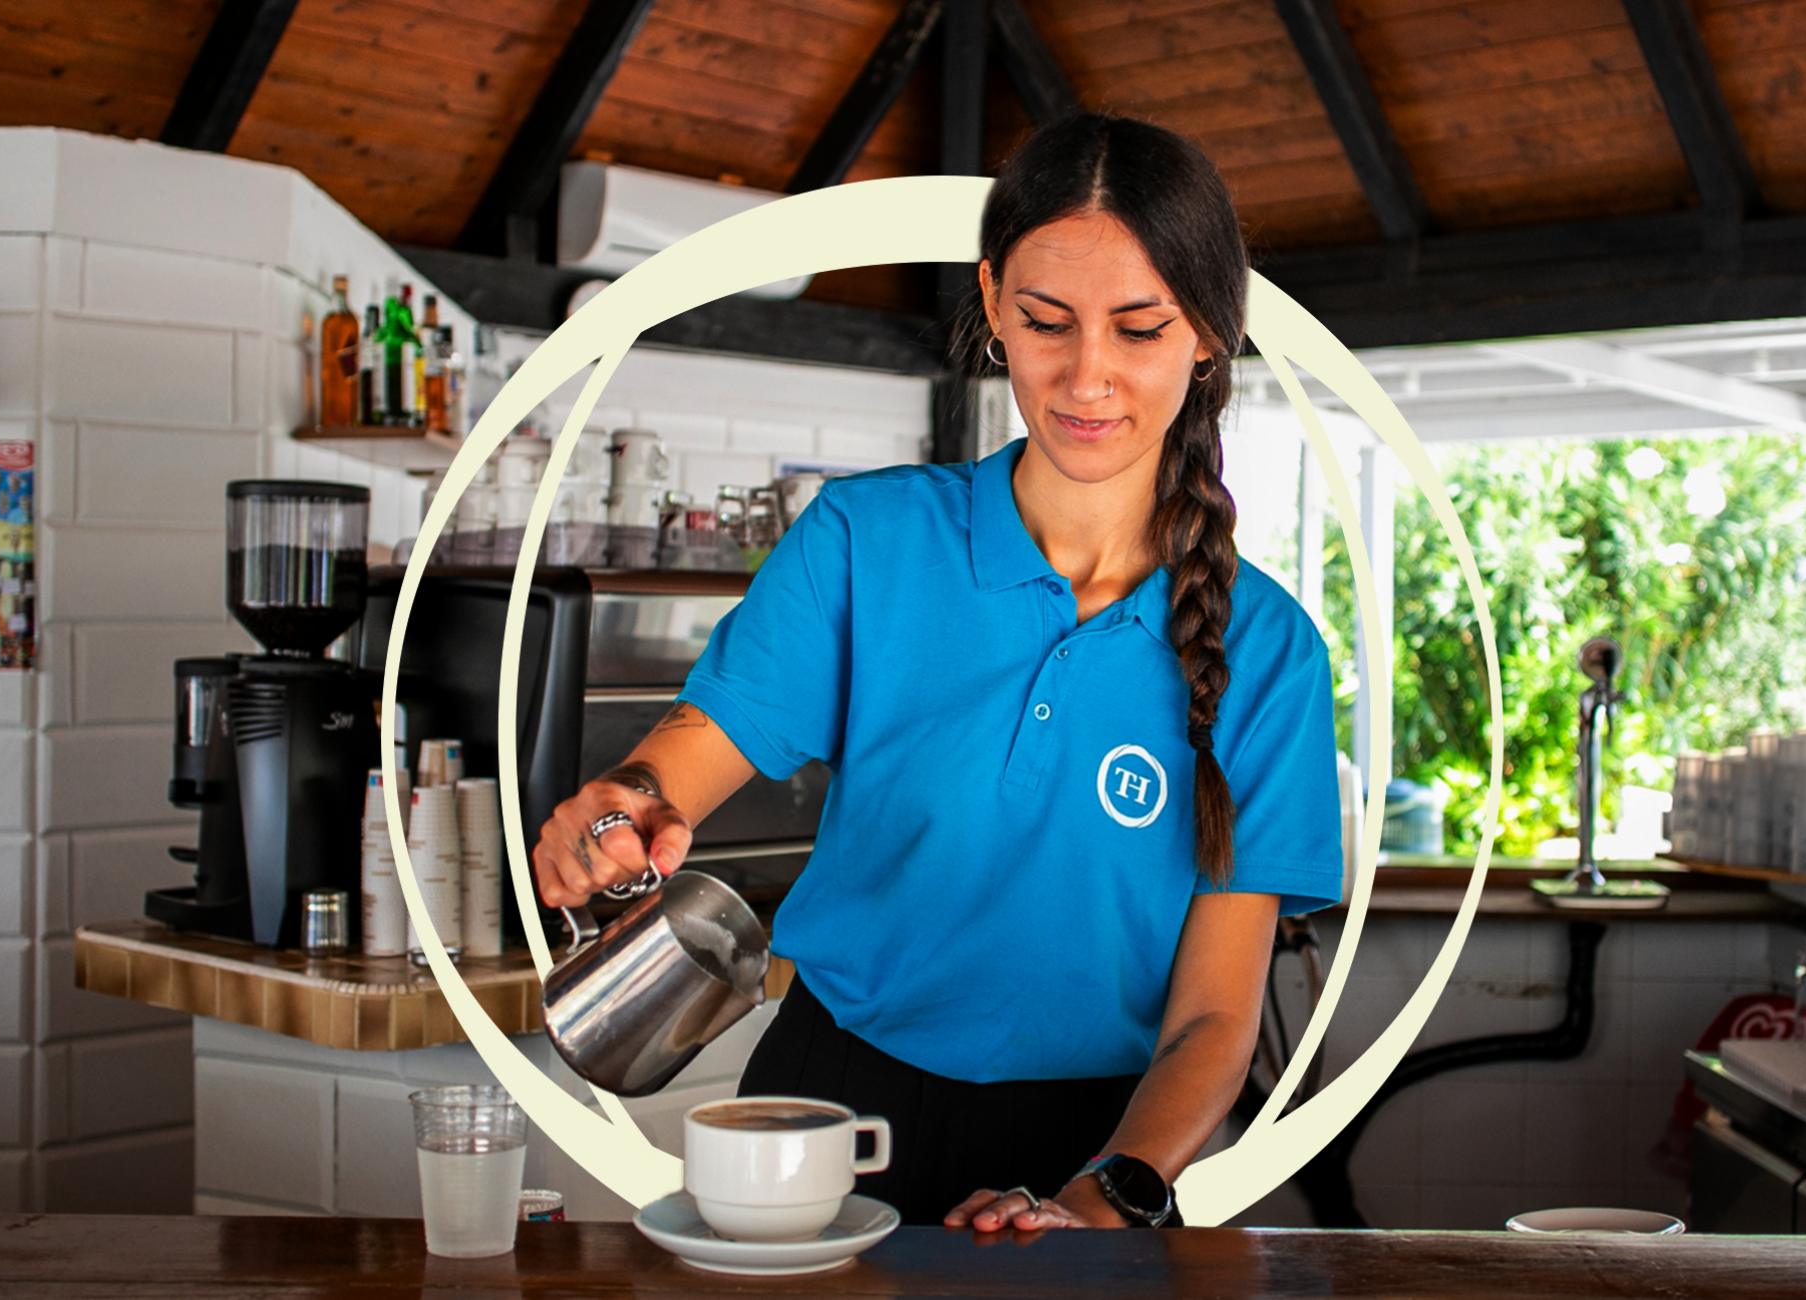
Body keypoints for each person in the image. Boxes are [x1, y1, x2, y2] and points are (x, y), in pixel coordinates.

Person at [532, 112, 1343, 1232]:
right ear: (993, 304)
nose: (1085, 376)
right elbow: (686, 760)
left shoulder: (1271, 652)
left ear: (1208, 331)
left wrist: (1108, 1195)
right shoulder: (866, 542)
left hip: (1101, 1143)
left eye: (1139, 328)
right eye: (1044, 322)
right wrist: (623, 808)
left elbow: (1211, 1019)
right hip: (831, 1102)